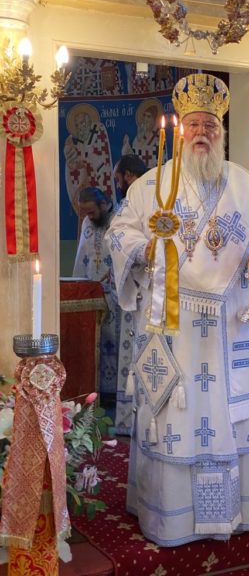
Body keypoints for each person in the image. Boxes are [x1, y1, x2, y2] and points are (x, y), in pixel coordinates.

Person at [106, 73, 249, 546]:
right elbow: (118, 234)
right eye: (194, 125)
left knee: (223, 419)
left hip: (227, 330)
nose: (202, 132)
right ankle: (169, 520)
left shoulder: (247, 187)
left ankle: (225, 515)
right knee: (172, 416)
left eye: (210, 125)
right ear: (180, 131)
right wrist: (147, 250)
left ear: (221, 132)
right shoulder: (151, 185)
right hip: (173, 329)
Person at [73, 187, 119, 405]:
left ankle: (115, 392)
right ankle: (96, 392)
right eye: (85, 213)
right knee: (95, 342)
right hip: (93, 293)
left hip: (116, 296)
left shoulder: (119, 220)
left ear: (103, 204)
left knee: (114, 341)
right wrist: (80, 287)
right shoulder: (87, 224)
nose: (88, 217)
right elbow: (81, 257)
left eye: (91, 212)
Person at [111, 154, 147, 434]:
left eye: (118, 178)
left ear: (128, 175)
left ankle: (138, 421)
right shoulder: (132, 202)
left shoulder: (145, 194)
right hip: (135, 286)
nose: (118, 185)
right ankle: (131, 419)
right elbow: (116, 236)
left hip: (148, 295)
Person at [64, 103, 116, 235]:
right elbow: (72, 170)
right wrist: (72, 163)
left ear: (88, 122)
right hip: (85, 189)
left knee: (103, 223)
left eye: (82, 122)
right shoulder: (73, 142)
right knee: (86, 226)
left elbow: (102, 159)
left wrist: (85, 163)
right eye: (77, 125)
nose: (80, 127)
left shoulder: (98, 133)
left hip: (99, 184)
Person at [121, 98, 163, 169]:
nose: (145, 119)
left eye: (149, 117)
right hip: (140, 174)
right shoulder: (139, 137)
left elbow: (159, 160)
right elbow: (134, 158)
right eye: (144, 115)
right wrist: (126, 146)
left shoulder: (158, 137)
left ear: (155, 119)